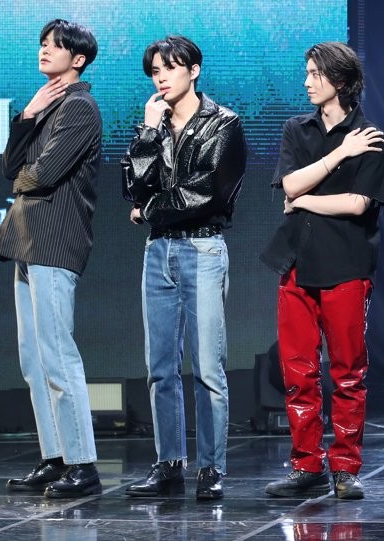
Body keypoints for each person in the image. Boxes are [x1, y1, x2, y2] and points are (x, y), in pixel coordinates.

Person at [261, 42, 384, 500]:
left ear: (342, 80)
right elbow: (290, 182)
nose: (307, 82)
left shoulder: (371, 137)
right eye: (307, 72)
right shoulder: (297, 129)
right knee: (298, 371)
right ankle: (306, 465)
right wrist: (336, 157)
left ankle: (346, 467)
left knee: (348, 371)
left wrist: (302, 201)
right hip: (297, 262)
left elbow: (357, 204)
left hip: (346, 265)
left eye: (316, 74)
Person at [122, 35, 247, 500]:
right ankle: (169, 463)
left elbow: (208, 192)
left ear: (194, 70)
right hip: (158, 251)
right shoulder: (153, 125)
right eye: (155, 70)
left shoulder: (223, 123)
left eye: (170, 68)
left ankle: (210, 468)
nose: (161, 77)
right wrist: (148, 133)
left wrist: (150, 209)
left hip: (202, 248)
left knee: (208, 369)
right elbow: (131, 185)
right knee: (160, 368)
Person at [0, 19, 102, 498]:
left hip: (55, 240)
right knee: (33, 360)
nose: (44, 50)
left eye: (54, 45)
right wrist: (28, 114)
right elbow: (10, 166)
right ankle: (55, 456)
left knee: (58, 355)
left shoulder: (80, 107)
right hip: (26, 240)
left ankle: (83, 464)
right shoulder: (48, 104)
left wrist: (22, 180)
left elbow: (41, 175)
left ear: (77, 59)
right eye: (42, 43)